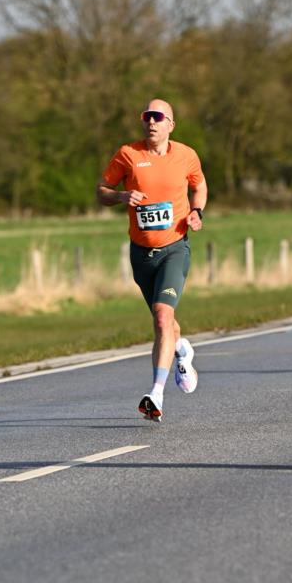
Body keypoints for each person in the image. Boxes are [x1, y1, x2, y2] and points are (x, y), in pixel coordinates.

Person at [97, 99, 208, 422]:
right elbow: (101, 190)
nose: (151, 122)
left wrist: (197, 211)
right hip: (141, 253)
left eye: (158, 117)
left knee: (161, 318)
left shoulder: (186, 155)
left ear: (170, 124)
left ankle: (155, 393)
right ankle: (182, 350)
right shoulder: (128, 154)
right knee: (167, 326)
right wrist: (119, 196)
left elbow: (199, 185)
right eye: (147, 117)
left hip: (175, 247)